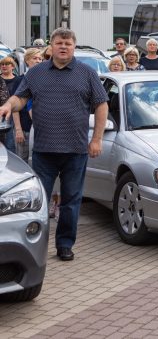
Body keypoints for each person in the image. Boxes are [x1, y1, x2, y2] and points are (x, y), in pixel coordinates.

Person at [0, 27, 109, 262]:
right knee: (38, 202)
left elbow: (101, 105)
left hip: (75, 150)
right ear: (51, 45)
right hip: (43, 150)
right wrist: (9, 105)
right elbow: (21, 98)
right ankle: (36, 245)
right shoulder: (36, 73)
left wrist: (97, 139)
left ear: (74, 47)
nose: (63, 47)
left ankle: (65, 245)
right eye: (59, 43)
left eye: (68, 43)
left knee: (71, 201)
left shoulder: (87, 74)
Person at [15, 48, 43, 161]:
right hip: (24, 127)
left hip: (40, 129)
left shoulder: (44, 80)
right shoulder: (20, 80)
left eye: (40, 59)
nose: (38, 61)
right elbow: (14, 108)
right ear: (27, 60)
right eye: (34, 58)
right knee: (22, 161)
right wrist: (18, 130)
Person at [0, 56, 21, 154]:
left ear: (13, 66)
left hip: (16, 115)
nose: (4, 66)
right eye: (2, 64)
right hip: (2, 114)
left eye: (7, 64)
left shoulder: (19, 80)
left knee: (10, 145)